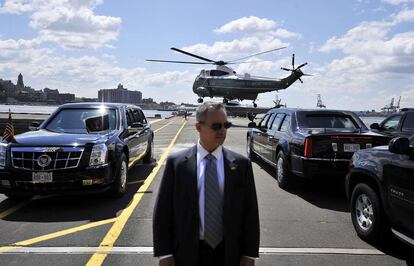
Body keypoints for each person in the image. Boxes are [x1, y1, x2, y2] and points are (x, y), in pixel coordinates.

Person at [153, 102, 260, 266]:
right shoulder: (177, 164)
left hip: (230, 253)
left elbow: (250, 212)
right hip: (187, 253)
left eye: (226, 125)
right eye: (216, 126)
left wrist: (249, 254)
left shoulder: (241, 164)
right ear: (198, 126)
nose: (222, 130)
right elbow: (163, 210)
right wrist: (164, 253)